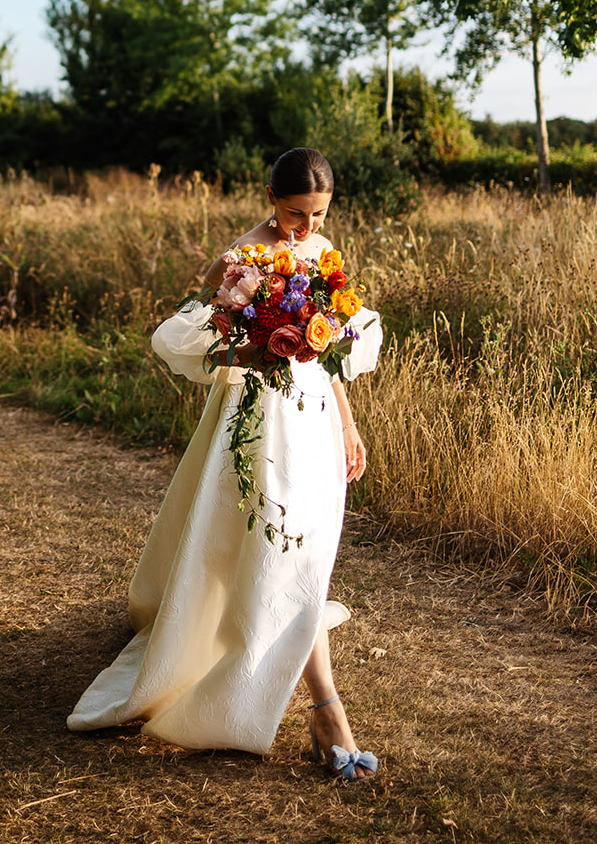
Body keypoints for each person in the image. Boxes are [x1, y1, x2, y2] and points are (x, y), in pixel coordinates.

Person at [66, 147, 383, 780]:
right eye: (295, 214)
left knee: (308, 547)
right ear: (271, 198)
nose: (306, 229)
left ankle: (316, 694)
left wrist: (347, 424)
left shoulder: (321, 252)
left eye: (318, 215)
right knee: (283, 547)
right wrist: (251, 343)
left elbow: (326, 353)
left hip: (312, 415)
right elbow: (203, 341)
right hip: (259, 423)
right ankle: (329, 709)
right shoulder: (246, 257)